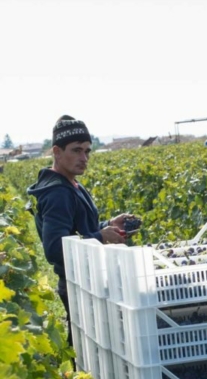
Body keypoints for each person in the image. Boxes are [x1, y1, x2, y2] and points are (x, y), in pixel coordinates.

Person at [27, 116, 134, 341]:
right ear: (56, 151)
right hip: (77, 285)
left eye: (87, 151)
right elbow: (55, 248)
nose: (84, 158)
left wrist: (108, 226)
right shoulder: (58, 193)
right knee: (87, 348)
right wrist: (99, 236)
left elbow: (77, 228)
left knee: (87, 345)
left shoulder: (70, 182)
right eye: (76, 150)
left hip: (85, 281)